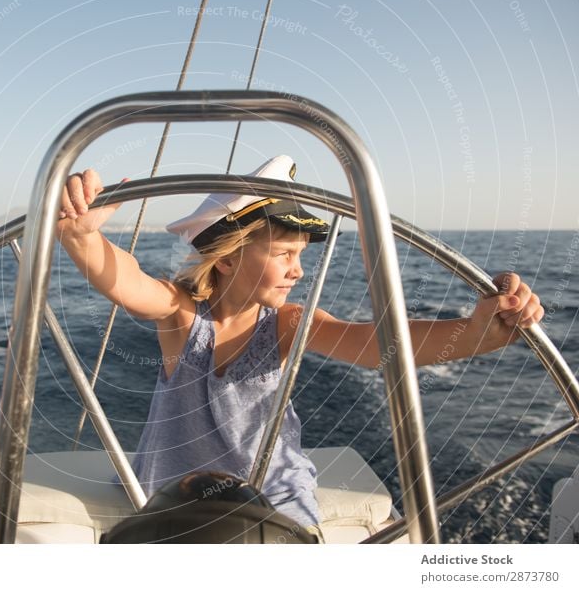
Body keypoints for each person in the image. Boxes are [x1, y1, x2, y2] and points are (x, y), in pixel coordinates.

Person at [56, 155, 544, 537]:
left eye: (301, 255)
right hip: (175, 500)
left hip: (274, 498)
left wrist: (478, 331)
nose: (298, 269)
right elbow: (132, 285)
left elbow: (373, 346)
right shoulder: (184, 316)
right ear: (227, 260)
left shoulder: (287, 323)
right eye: (284, 253)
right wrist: (81, 237)